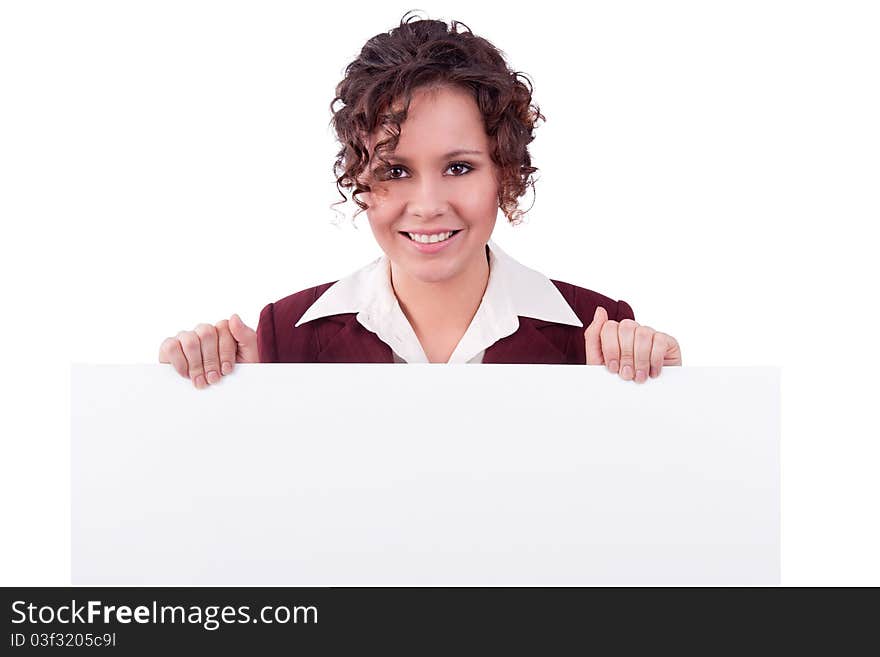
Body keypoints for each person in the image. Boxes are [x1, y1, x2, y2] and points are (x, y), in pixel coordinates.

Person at [159, 12, 682, 387]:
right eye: (395, 171)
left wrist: (665, 404)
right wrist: (211, 398)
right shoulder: (285, 338)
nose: (428, 204)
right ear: (359, 177)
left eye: (459, 167)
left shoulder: (594, 329)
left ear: (504, 171)